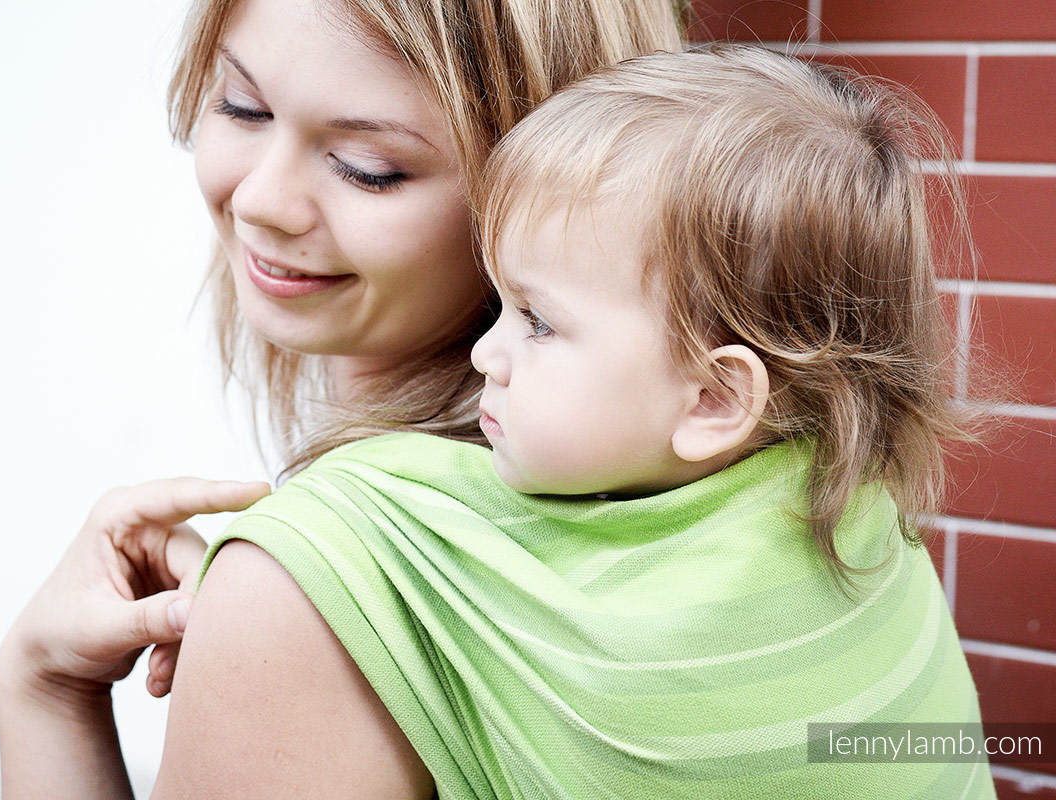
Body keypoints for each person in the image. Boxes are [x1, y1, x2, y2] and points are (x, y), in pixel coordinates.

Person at [183, 47, 995, 796]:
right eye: (501, 302)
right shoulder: (862, 514)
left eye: (536, 321)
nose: (484, 354)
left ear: (714, 400)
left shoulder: (365, 561)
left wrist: (57, 698)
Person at [0, 0, 681, 796]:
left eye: (366, 166)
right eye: (241, 106)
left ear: (549, 186)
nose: (260, 201)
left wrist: (42, 693)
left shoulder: (320, 583)